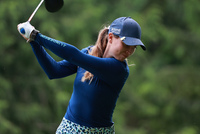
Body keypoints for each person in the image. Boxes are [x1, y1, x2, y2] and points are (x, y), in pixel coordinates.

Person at [17, 17, 146, 134]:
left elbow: (74, 56)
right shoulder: (89, 52)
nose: (129, 50)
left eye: (134, 47)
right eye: (126, 44)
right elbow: (54, 71)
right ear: (111, 38)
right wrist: (33, 41)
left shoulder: (119, 69)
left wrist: (36, 35)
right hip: (68, 129)